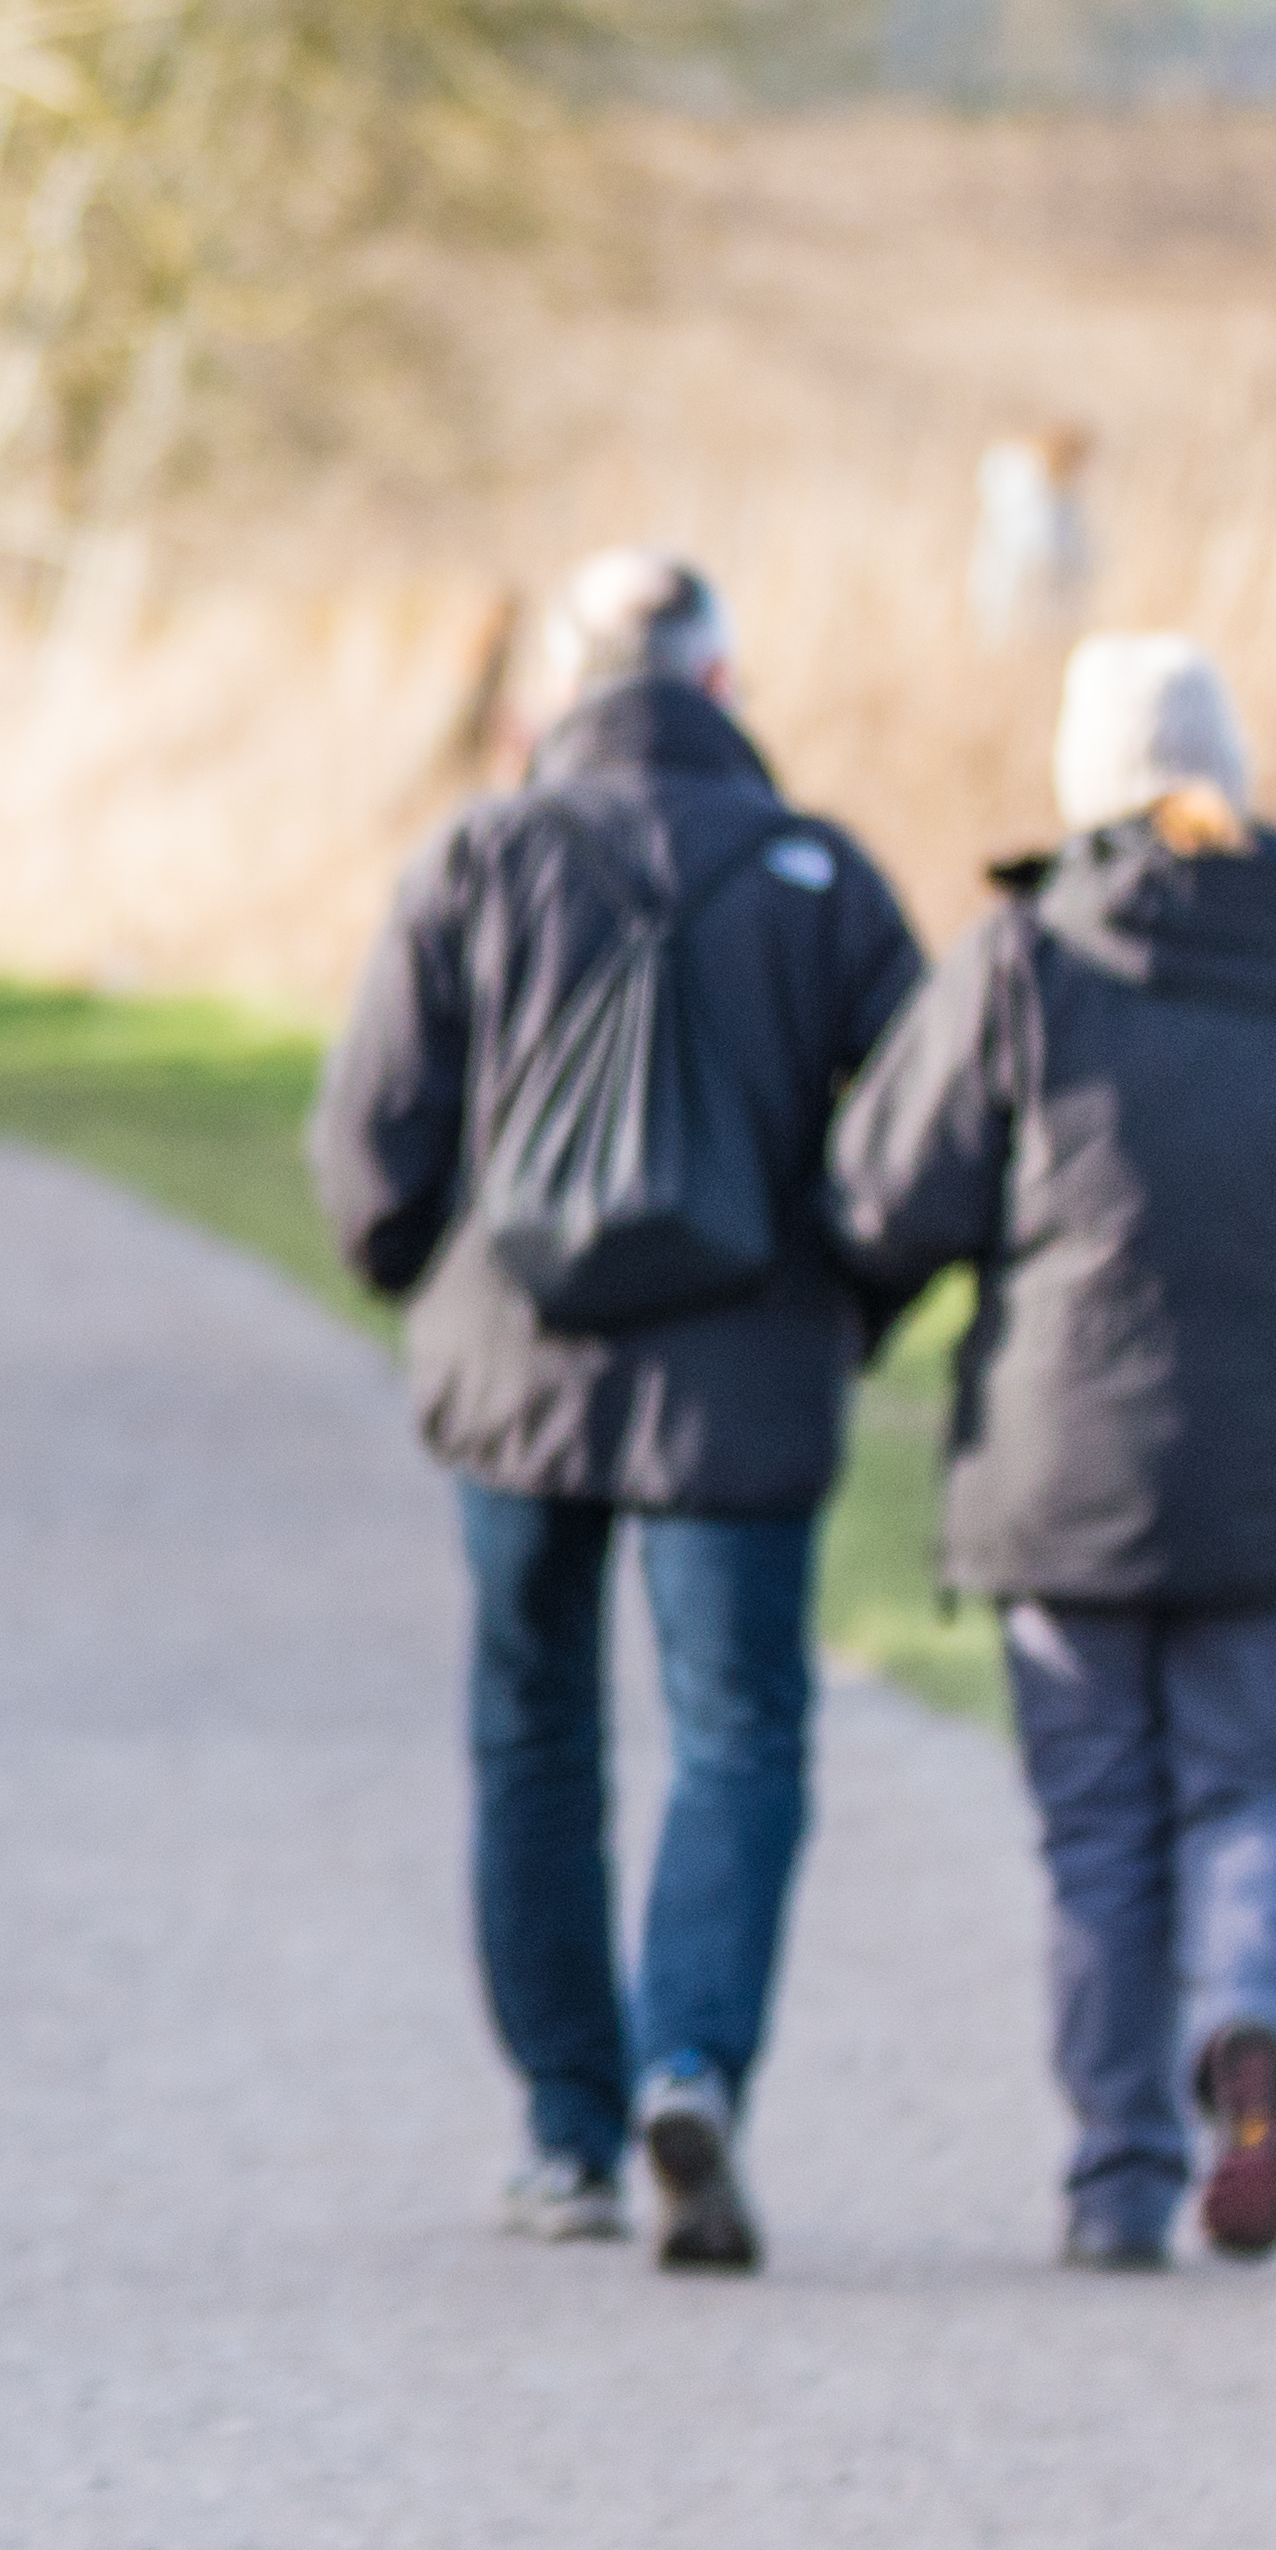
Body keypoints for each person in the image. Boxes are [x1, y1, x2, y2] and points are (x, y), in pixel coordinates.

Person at [827, 634, 1276, 2271]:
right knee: (1261, 1788)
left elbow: (883, 1201)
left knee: (1101, 1831)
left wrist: (828, 1339)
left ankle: (1119, 2175)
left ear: (1085, 779)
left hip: (1067, 1473)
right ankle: (1252, 2031)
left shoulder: (1023, 956)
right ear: (1233, 766)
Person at [308, 548, 923, 2272]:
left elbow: (370, 1146)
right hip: (742, 1385)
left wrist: (429, 1281)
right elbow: (934, 1128)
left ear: (554, 698)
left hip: (521, 1374)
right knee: (740, 1734)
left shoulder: (480, 857)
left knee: (534, 1731)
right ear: (723, 688)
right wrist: (845, 1298)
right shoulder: (820, 874)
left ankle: (571, 2136)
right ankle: (693, 2068)